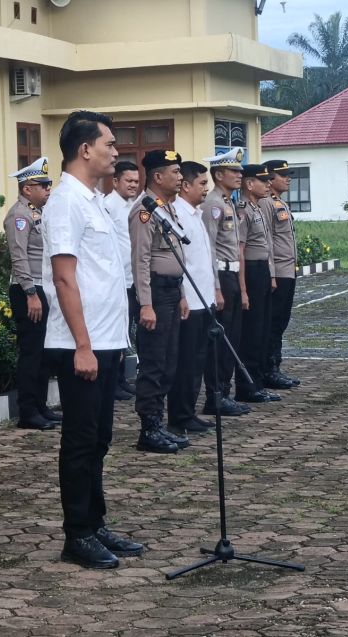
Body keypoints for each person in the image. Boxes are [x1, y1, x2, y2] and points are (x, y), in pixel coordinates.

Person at [43, 110, 143, 569]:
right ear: (85, 149)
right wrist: (83, 344)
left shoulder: (96, 201)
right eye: (109, 144)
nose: (116, 152)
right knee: (81, 441)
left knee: (100, 438)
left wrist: (112, 342)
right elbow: (65, 279)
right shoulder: (65, 203)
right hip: (79, 344)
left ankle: (96, 521)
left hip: (105, 340)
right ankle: (77, 533)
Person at [131, 150, 191, 454]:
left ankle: (159, 424)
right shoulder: (145, 211)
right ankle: (148, 429)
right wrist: (145, 304)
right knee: (154, 364)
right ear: (157, 176)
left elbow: (174, 255)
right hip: (154, 293)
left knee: (169, 362)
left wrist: (181, 295)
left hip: (170, 291)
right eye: (175, 171)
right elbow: (140, 260)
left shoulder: (165, 208)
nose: (180, 177)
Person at [4, 156, 62, 431]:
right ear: (27, 189)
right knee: (31, 353)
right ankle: (28, 412)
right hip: (28, 289)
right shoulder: (19, 215)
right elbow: (19, 257)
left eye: (49, 184)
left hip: (42, 287)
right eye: (43, 184)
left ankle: (40, 406)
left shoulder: (39, 213)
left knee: (42, 353)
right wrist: (30, 293)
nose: (48, 189)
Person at [167, 161, 217, 436]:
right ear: (186, 186)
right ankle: (179, 414)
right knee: (185, 362)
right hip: (189, 302)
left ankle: (189, 411)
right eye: (201, 183)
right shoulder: (178, 216)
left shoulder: (195, 214)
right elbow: (180, 263)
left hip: (204, 299)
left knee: (198, 360)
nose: (206, 188)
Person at [200, 148, 251, 418]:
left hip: (232, 275)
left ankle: (225, 392)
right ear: (219, 174)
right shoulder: (214, 204)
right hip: (220, 275)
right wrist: (216, 286)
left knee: (232, 337)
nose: (240, 175)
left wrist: (241, 288)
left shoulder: (230, 202)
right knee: (221, 341)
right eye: (235, 171)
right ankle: (215, 395)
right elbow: (208, 246)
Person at [235, 164, 280, 403]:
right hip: (250, 272)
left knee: (262, 330)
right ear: (249, 184)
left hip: (261, 270)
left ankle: (258, 382)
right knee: (251, 333)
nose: (267, 185)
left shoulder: (258, 208)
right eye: (263, 181)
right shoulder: (243, 210)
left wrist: (270, 274)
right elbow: (240, 251)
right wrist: (243, 289)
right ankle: (247, 386)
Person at [261, 160, 301, 389]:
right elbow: (265, 240)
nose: (288, 179)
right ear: (270, 178)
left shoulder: (280, 203)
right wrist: (272, 273)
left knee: (281, 322)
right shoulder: (267, 203)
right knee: (273, 322)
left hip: (288, 270)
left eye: (288, 175)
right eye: (283, 175)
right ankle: (269, 369)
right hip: (278, 271)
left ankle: (275, 365)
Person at [103, 160, 141, 401]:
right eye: (129, 181)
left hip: (135, 278)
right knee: (118, 331)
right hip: (119, 281)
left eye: (137, 182)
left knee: (130, 331)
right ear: (115, 181)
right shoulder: (108, 206)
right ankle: (114, 381)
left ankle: (123, 379)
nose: (133, 186)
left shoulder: (136, 205)